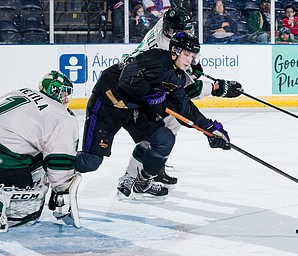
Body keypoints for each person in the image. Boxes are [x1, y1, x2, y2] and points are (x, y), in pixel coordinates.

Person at [74, 32, 235, 200]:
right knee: (90, 161)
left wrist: (209, 129)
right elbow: (126, 79)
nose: (189, 61)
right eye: (186, 54)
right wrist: (150, 93)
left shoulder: (178, 78)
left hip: (134, 108)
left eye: (192, 56)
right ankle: (54, 161)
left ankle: (143, 181)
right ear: (175, 51)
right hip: (107, 105)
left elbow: (184, 107)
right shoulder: (155, 58)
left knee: (165, 140)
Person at [117, 6, 243, 198]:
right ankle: (132, 174)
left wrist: (195, 66)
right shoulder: (159, 47)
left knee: (172, 126)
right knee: (158, 132)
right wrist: (217, 88)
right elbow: (184, 93)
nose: (182, 34)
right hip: (143, 88)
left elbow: (187, 56)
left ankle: (153, 169)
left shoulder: (176, 30)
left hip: (153, 82)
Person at [0, 71, 81, 232]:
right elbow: (59, 161)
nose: (66, 98)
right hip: (5, 159)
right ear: (56, 91)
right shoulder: (61, 116)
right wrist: (61, 191)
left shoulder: (22, 91)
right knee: (26, 214)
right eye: (65, 92)